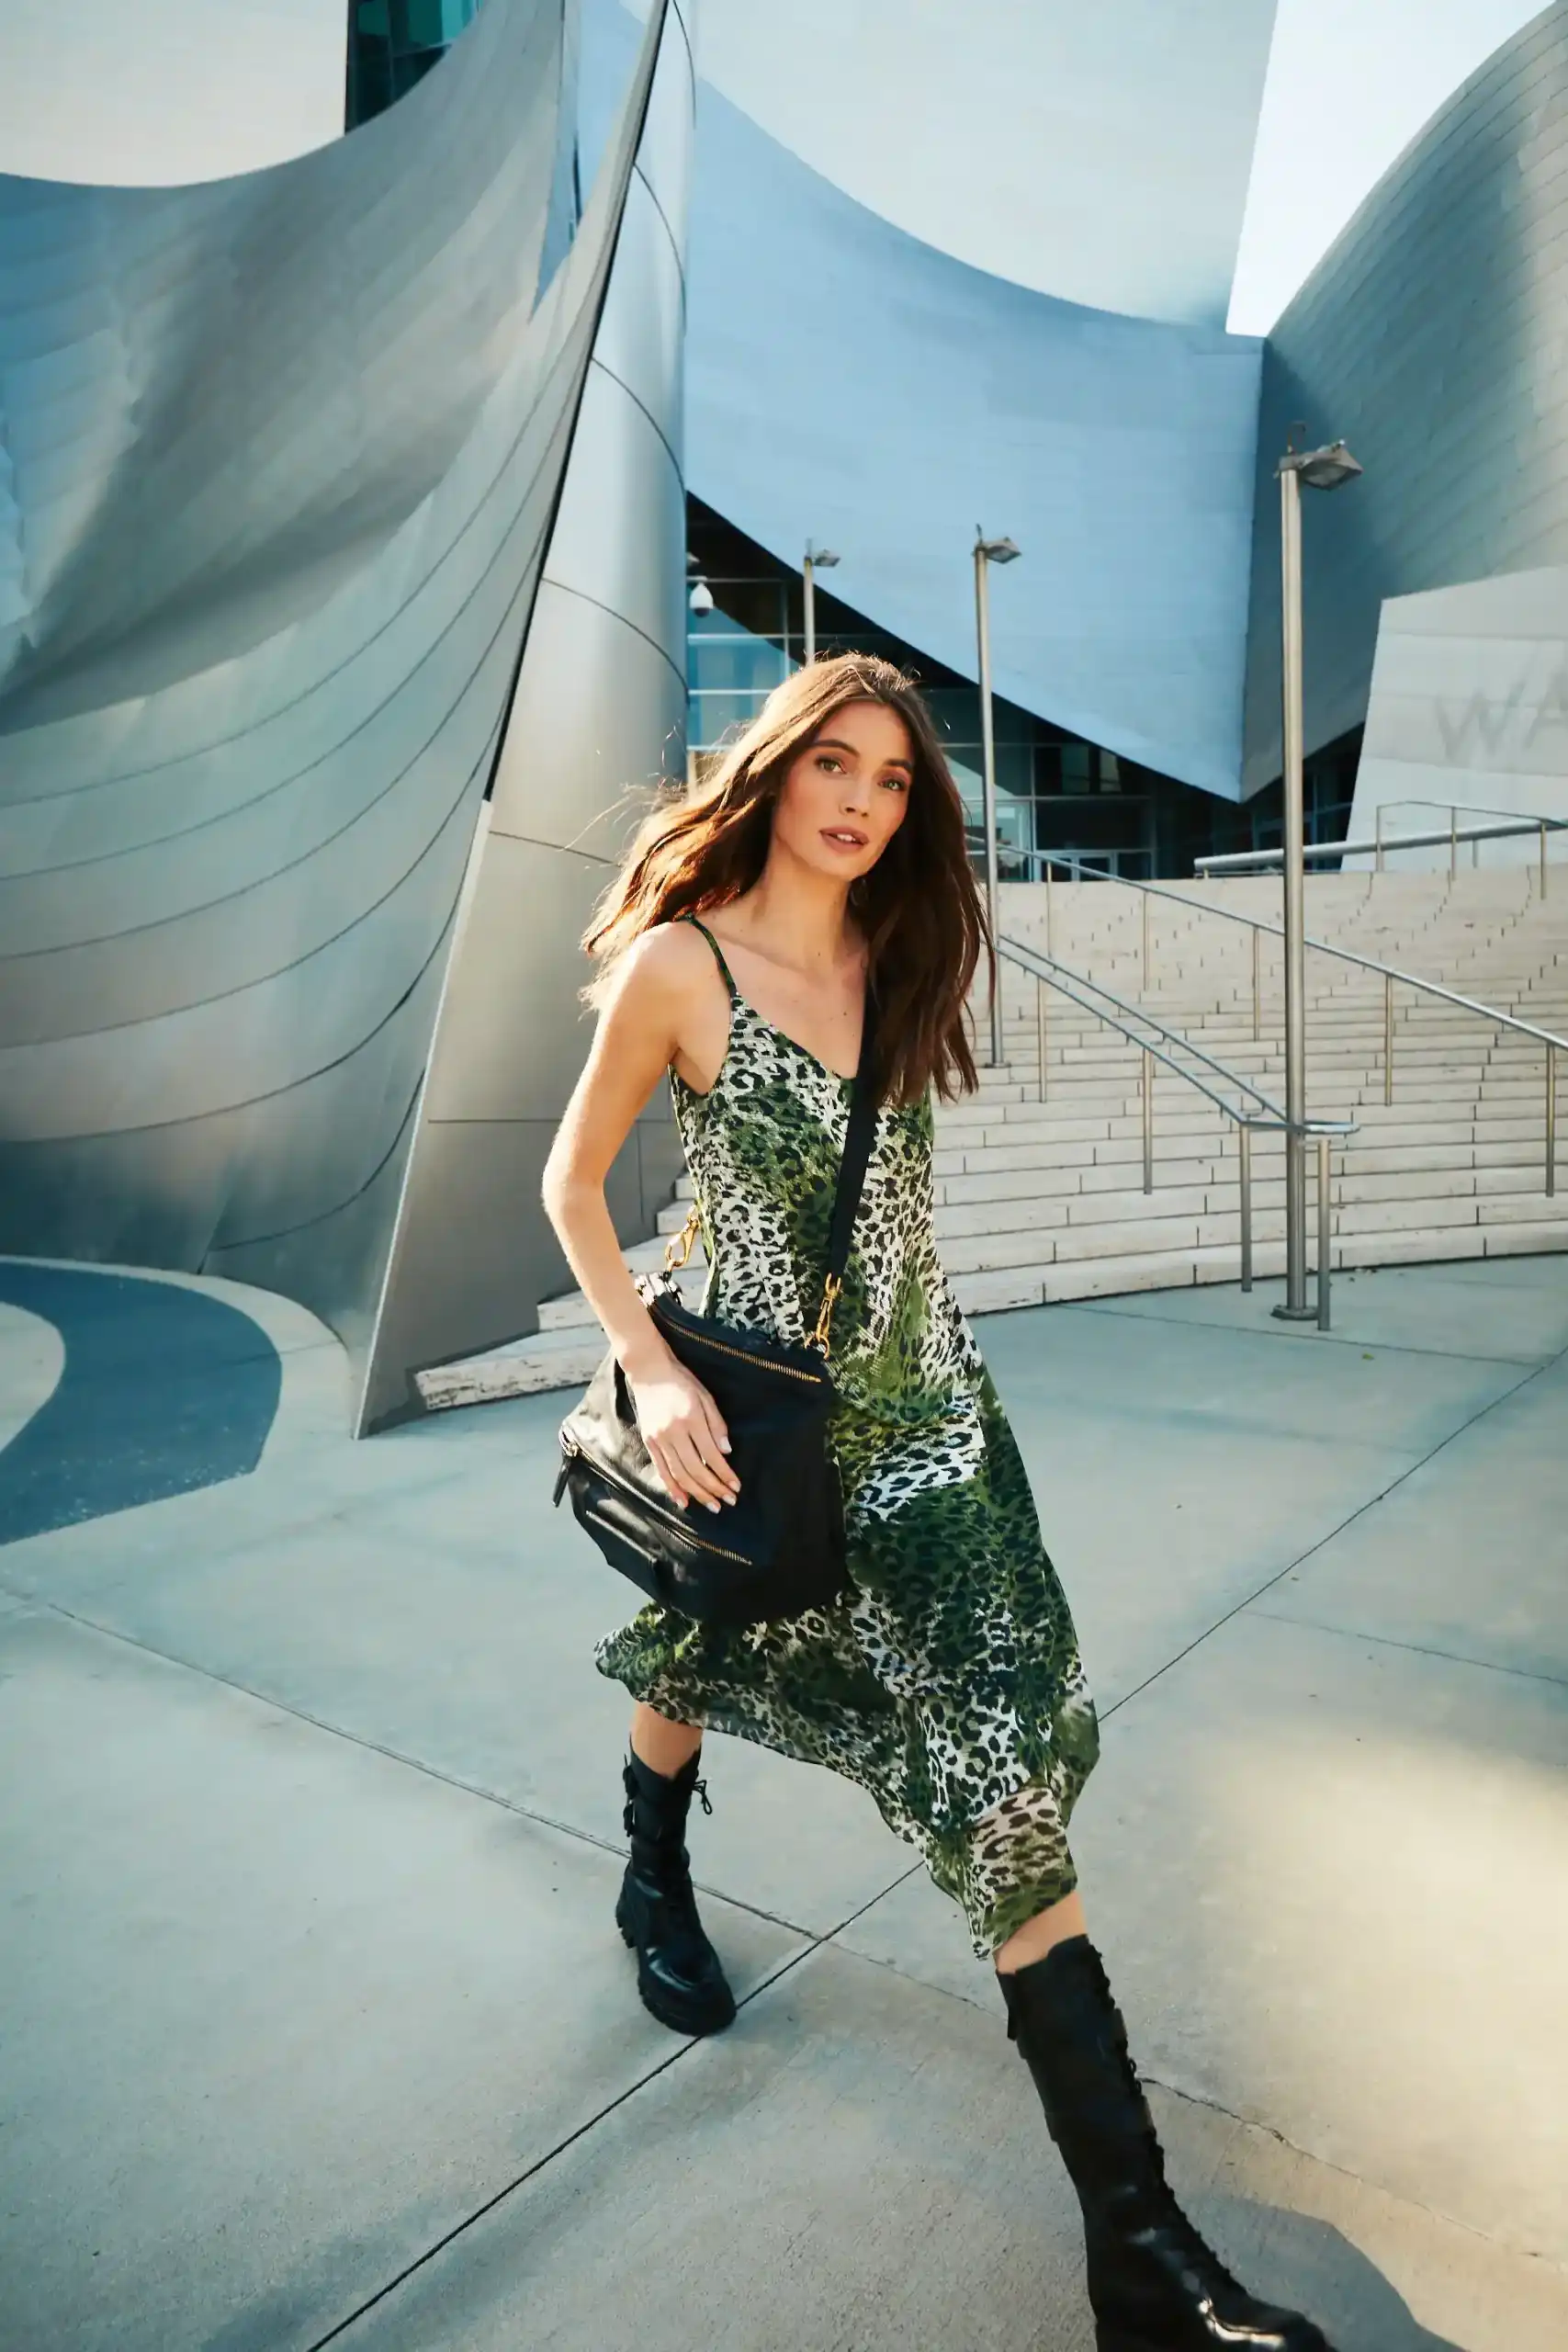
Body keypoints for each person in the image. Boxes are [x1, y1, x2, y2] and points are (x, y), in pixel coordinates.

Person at [542, 653, 1335, 2352]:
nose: (861, 801)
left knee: (994, 1769)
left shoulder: (891, 948)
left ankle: (1139, 2254)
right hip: (751, 1413)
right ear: (773, 769)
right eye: (834, 764)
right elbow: (569, 1183)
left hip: (933, 1423)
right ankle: (651, 1873)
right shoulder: (683, 966)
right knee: (696, 1645)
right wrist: (653, 1372)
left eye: (894, 782)